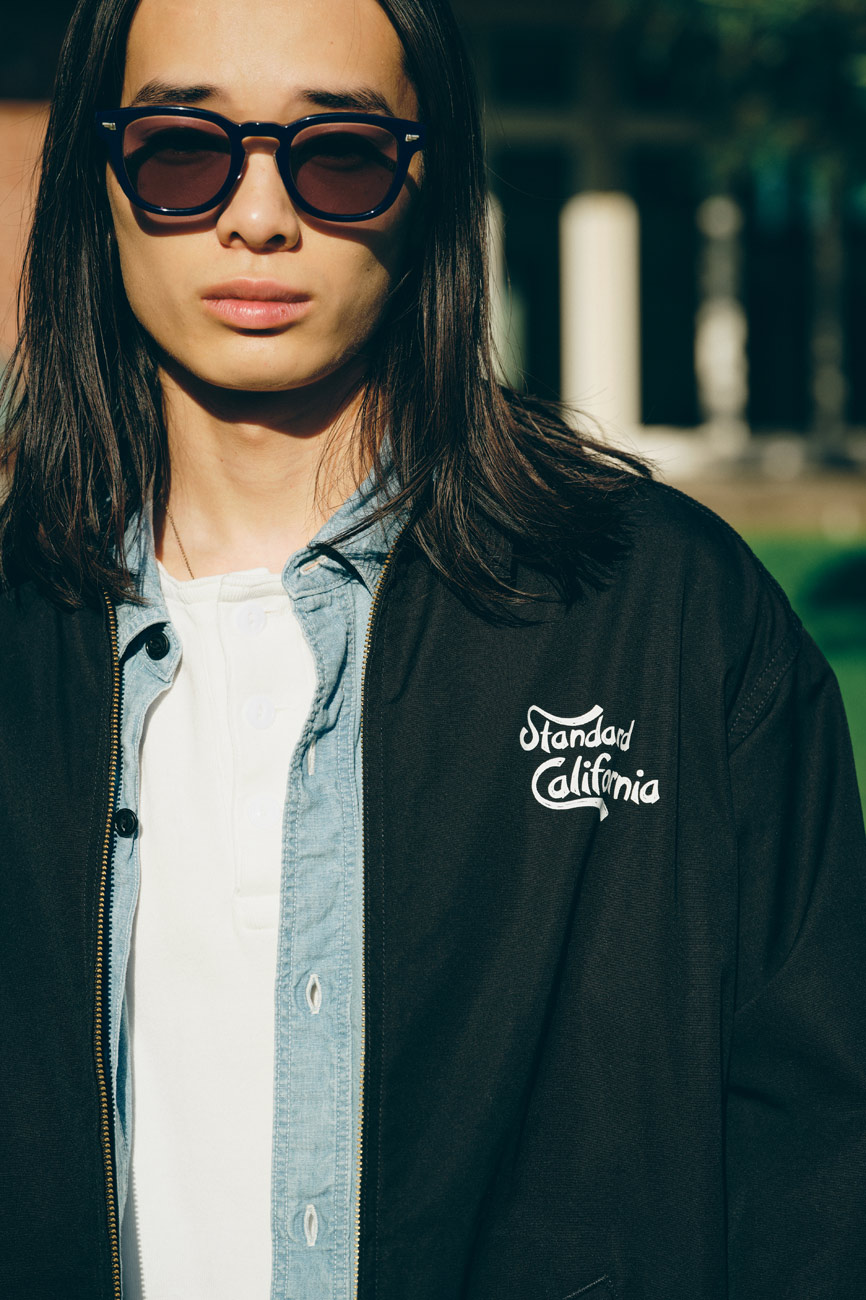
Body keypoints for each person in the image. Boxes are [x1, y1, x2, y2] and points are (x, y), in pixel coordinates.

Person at [1, 0, 865, 1296]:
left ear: (431, 183)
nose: (257, 216)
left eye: (339, 153)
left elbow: (820, 1173)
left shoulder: (672, 620)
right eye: (181, 149)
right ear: (99, 179)